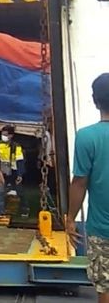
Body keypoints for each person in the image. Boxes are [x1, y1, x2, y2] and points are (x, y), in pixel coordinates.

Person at [67, 73, 109, 301]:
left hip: (102, 229)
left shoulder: (86, 137)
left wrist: (70, 218)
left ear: (95, 101)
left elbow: (79, 182)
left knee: (104, 287)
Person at [0, 125, 27, 218]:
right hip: (3, 169)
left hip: (14, 170)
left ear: (11, 135)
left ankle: (24, 209)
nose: (3, 136)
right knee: (1, 190)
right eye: (2, 134)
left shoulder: (16, 146)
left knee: (19, 191)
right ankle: (0, 210)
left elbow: (20, 161)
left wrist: (19, 175)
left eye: (6, 134)